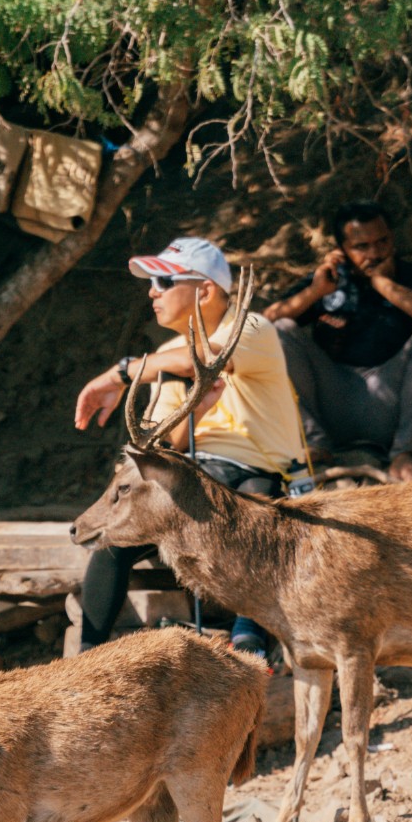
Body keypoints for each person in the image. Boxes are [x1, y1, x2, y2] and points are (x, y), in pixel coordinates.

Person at [71, 236, 308, 662]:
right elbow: (165, 447)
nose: (152, 292)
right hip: (192, 473)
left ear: (204, 290)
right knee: (117, 531)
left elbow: (202, 357)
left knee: (253, 501)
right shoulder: (166, 355)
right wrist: (193, 413)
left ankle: (249, 640)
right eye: (151, 283)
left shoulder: (250, 327)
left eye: (163, 281)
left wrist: (122, 372)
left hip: (258, 472)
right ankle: (86, 655)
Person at [265, 201, 412, 483]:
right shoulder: (328, 281)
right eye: (361, 246)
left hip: (389, 402)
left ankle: (406, 453)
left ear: (393, 238)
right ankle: (314, 442)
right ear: (342, 248)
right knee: (279, 331)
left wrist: (383, 284)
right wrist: (315, 291)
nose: (375, 252)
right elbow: (265, 322)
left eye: (382, 241)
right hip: (332, 399)